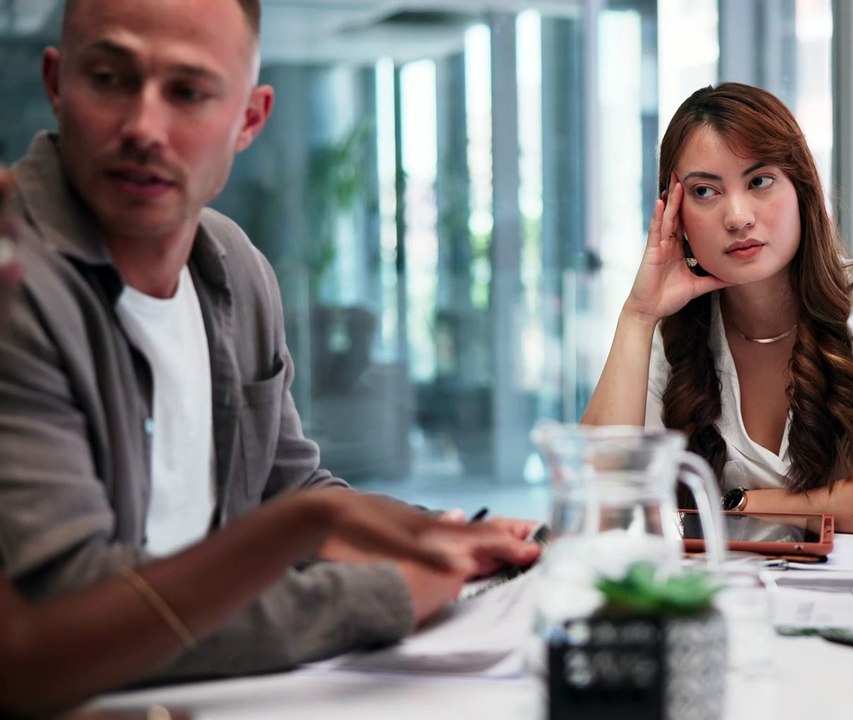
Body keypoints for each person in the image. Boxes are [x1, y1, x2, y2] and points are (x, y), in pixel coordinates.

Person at [0, 0, 538, 685]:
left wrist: (442, 536)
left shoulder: (232, 264)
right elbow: (71, 618)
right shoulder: (15, 277)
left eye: (188, 92)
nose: (144, 127)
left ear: (249, 118)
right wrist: (388, 595)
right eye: (108, 79)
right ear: (56, 82)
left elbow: (284, 492)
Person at [581, 83, 853, 535]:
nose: (737, 216)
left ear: (802, 189)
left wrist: (741, 503)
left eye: (759, 181)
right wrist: (637, 317)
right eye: (704, 192)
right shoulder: (668, 328)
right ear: (675, 217)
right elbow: (596, 507)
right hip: (721, 602)